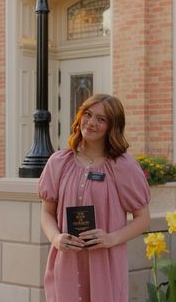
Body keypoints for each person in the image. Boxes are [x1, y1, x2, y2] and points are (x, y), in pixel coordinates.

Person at [39, 93, 151, 302]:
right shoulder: (59, 162)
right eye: (88, 114)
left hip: (105, 264)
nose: (90, 123)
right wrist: (56, 238)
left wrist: (111, 238)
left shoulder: (123, 166)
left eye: (101, 119)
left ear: (112, 126)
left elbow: (143, 218)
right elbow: (46, 213)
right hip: (66, 263)